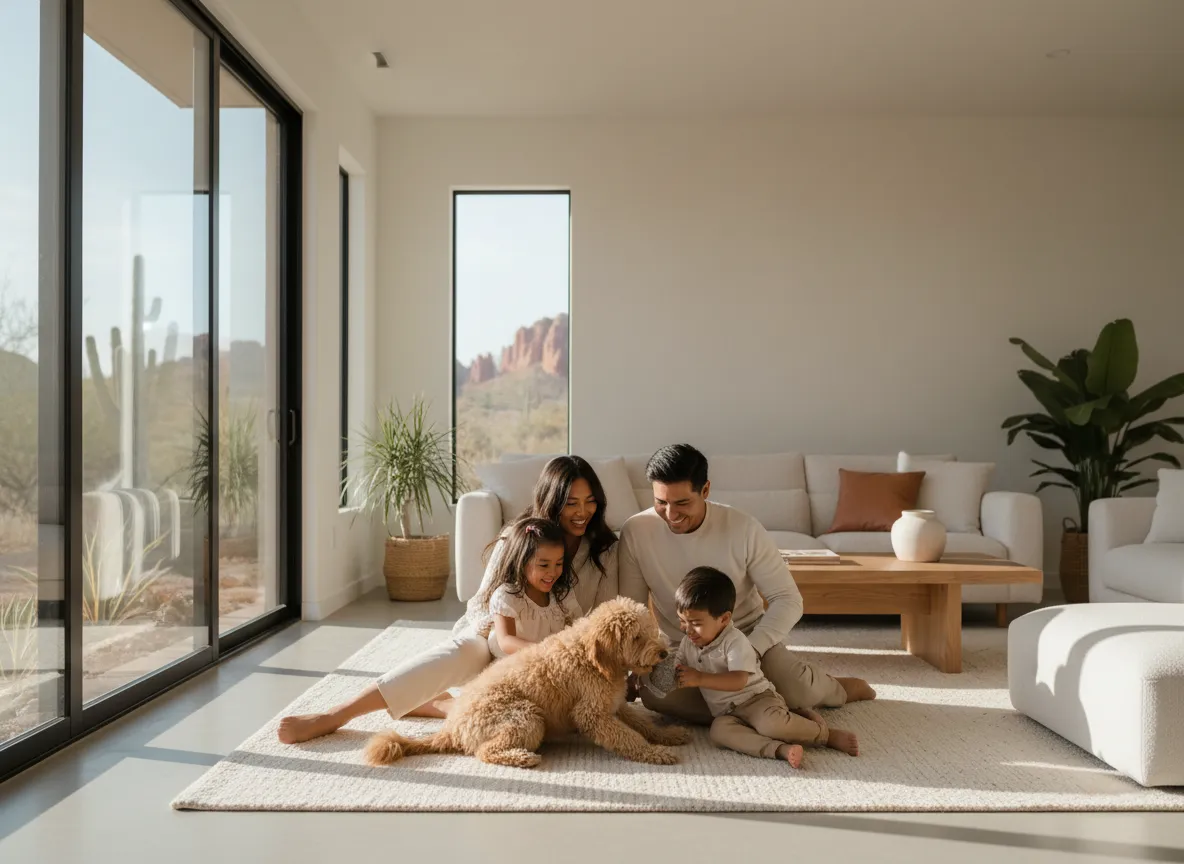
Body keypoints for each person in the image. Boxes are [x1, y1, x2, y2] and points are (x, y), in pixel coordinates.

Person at [277, 455, 618, 744]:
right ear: (553, 501)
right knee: (467, 650)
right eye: (571, 502)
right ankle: (337, 714)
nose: (582, 511)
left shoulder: (602, 550)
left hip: (556, 656)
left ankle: (440, 707)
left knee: (547, 722)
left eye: (590, 502)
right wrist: (497, 638)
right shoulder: (517, 540)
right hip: (497, 636)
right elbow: (483, 603)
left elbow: (600, 618)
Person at [619, 443, 876, 725]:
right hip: (684, 645)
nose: (670, 515)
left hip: (745, 638)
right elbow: (634, 609)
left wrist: (750, 651)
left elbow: (788, 599)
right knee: (657, 695)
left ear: (705, 490)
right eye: (661, 502)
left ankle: (831, 687)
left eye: (682, 503)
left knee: (799, 689)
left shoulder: (743, 527)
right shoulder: (636, 531)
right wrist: (635, 665)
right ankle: (771, 708)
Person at [669, 566, 859, 767]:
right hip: (725, 712)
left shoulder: (735, 641)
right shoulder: (688, 643)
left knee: (773, 725)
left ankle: (825, 735)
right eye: (682, 621)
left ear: (724, 619)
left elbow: (739, 680)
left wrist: (699, 678)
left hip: (756, 700)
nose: (687, 630)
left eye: (695, 623)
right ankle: (778, 750)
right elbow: (677, 664)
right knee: (719, 733)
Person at [482, 517, 581, 659]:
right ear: (522, 562)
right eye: (544, 565)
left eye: (558, 564)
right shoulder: (508, 596)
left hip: (550, 663)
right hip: (515, 665)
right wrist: (545, 650)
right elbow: (506, 641)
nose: (552, 573)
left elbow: (578, 625)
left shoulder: (561, 594)